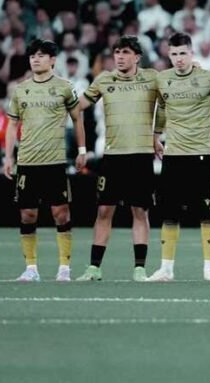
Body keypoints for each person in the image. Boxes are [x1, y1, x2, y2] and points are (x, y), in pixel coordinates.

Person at [147, 33, 210, 282]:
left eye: (183, 53)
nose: (178, 59)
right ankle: (166, 269)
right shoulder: (162, 80)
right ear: (169, 55)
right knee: (169, 213)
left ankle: (209, 268)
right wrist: (156, 135)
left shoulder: (208, 77)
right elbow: (163, 109)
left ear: (192, 53)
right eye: (174, 54)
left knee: (207, 213)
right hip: (174, 154)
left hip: (201, 154)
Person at [75, 36, 163, 282]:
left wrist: (194, 69)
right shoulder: (104, 79)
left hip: (142, 154)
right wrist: (57, 100)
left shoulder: (152, 77)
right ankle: (94, 268)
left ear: (137, 57)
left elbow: (174, 90)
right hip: (113, 156)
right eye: (116, 52)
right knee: (104, 211)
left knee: (139, 211)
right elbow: (79, 105)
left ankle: (139, 268)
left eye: (125, 52)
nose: (120, 57)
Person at [3, 39, 87, 282]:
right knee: (27, 214)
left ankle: (64, 268)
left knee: (60, 212)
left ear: (52, 60)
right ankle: (31, 269)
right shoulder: (21, 89)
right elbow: (12, 125)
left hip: (54, 161)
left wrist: (82, 149)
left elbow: (77, 118)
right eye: (32, 56)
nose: (35, 59)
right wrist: (8, 156)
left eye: (41, 55)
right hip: (27, 161)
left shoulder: (64, 87)